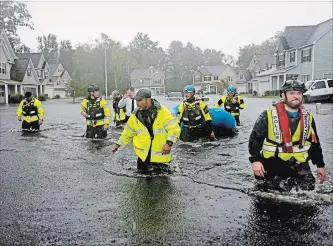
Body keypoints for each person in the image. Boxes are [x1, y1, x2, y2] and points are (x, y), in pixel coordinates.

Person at [248, 79, 326, 192]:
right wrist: (255, 161)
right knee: (269, 193)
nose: (296, 96)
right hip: (274, 162)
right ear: (283, 95)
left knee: (308, 189)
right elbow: (255, 139)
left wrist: (320, 165)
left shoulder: (308, 117)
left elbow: (315, 143)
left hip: (299, 163)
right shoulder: (268, 115)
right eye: (292, 93)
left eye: (299, 93)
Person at [112, 88, 181, 172]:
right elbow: (128, 132)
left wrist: (169, 144)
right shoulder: (135, 115)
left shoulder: (162, 111)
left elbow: (174, 129)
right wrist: (118, 144)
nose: (137, 103)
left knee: (162, 183)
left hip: (160, 157)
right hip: (143, 157)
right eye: (136, 100)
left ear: (148, 100)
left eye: (140, 100)